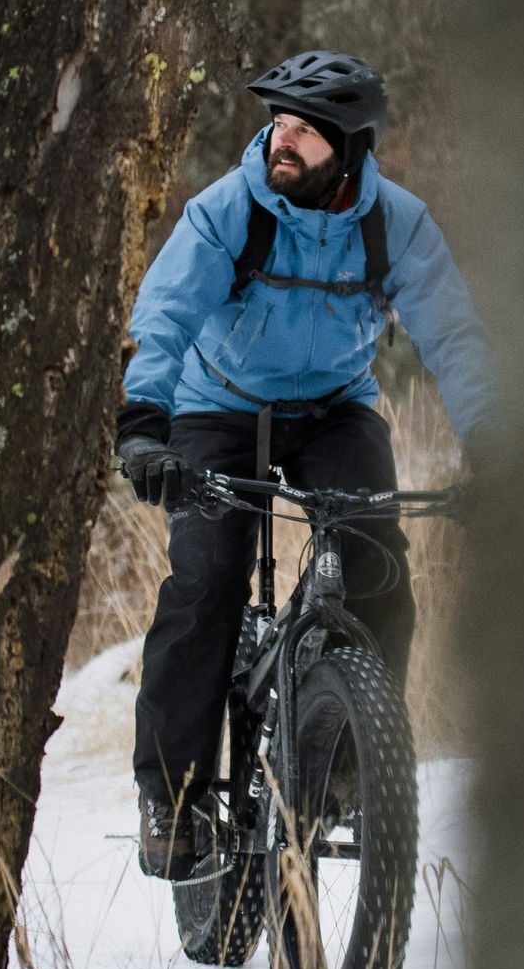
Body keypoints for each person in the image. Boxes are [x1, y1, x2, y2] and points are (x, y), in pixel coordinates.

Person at [117, 50, 494, 877]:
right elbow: (165, 311)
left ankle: (357, 764)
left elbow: (455, 336)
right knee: (206, 578)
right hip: (216, 401)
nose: (280, 141)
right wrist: (144, 423)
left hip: (333, 406)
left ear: (351, 147)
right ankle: (173, 800)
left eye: (303, 131)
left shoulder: (395, 224)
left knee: (379, 566)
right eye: (278, 124)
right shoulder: (230, 209)